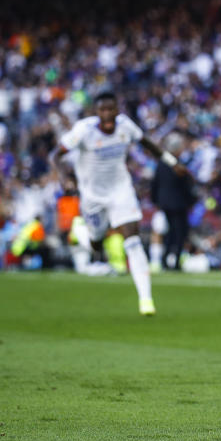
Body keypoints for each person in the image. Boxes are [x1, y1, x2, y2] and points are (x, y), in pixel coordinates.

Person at [51, 92, 185, 316]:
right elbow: (56, 155)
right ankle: (82, 232)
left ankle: (146, 300)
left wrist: (172, 162)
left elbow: (148, 144)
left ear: (116, 110)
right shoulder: (84, 131)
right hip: (92, 195)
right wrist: (64, 177)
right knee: (97, 242)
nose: (107, 114)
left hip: (120, 190)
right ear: (96, 112)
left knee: (132, 239)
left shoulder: (125, 126)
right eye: (102, 110)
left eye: (111, 109)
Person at [151, 133, 196, 272]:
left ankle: (165, 259)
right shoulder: (177, 163)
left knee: (171, 232)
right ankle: (175, 260)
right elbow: (185, 185)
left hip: (165, 203)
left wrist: (156, 201)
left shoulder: (161, 163)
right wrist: (191, 200)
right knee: (180, 232)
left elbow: (155, 184)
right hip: (178, 203)